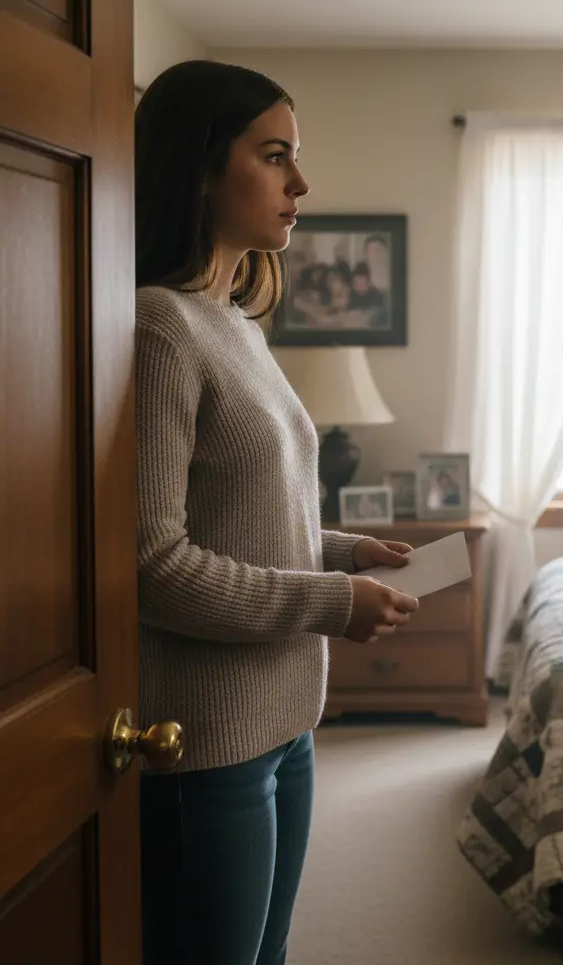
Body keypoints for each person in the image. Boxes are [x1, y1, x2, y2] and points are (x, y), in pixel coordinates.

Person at [133, 59, 421, 965]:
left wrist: (340, 551)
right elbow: (154, 563)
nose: (301, 183)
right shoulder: (159, 330)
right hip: (206, 739)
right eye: (274, 156)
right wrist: (331, 602)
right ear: (202, 169)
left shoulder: (239, 326)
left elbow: (240, 510)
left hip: (287, 720)